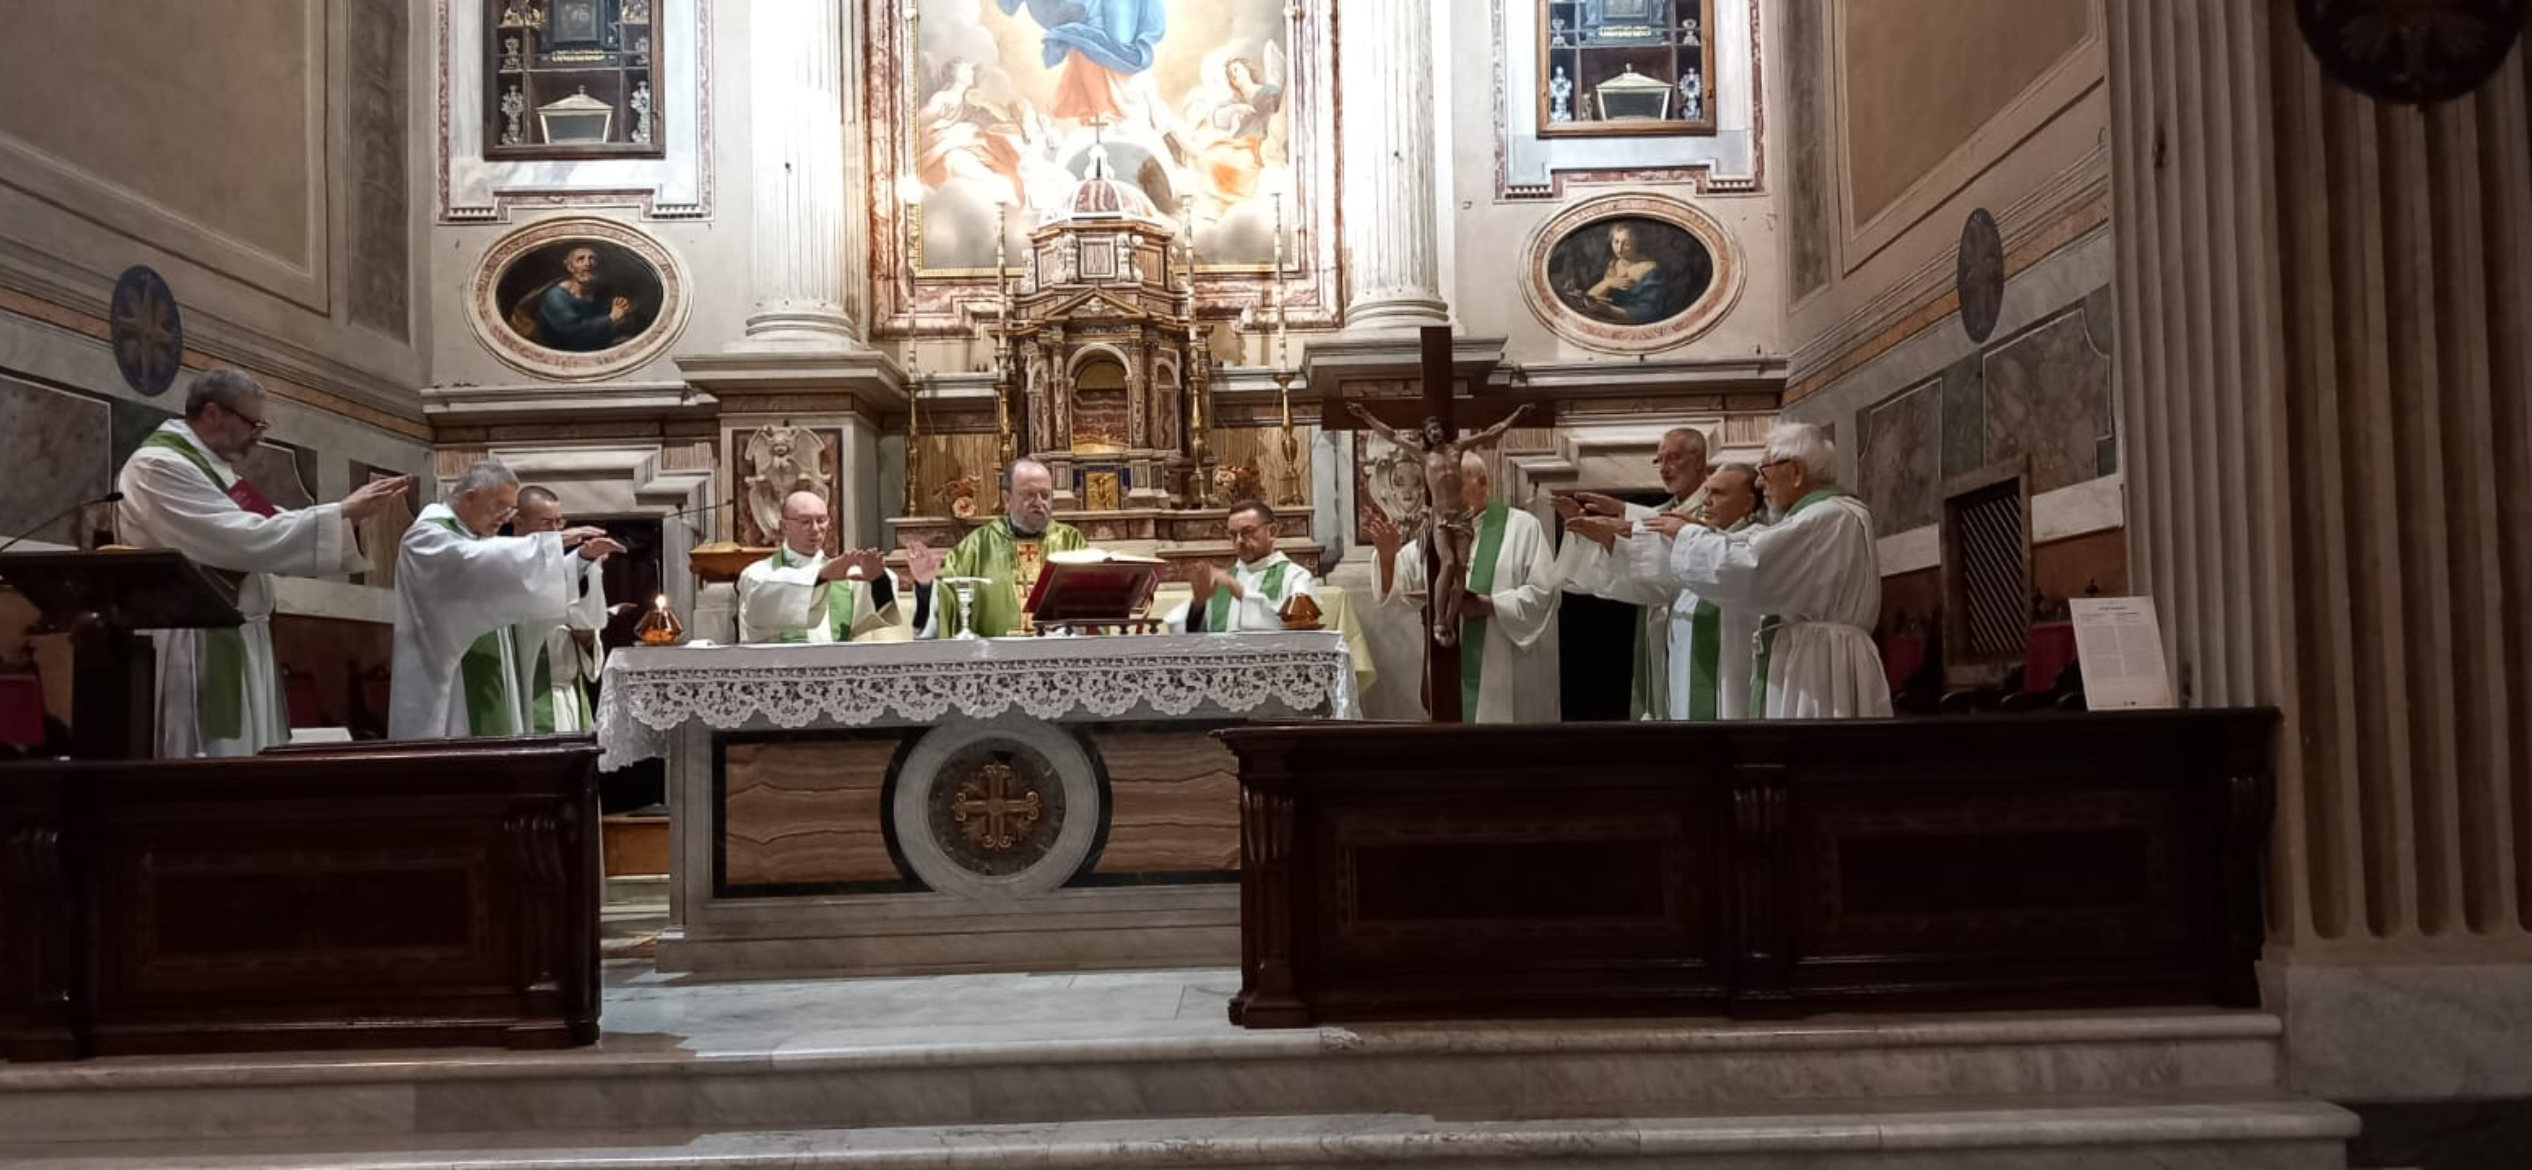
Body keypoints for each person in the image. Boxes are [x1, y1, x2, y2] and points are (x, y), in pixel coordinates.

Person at [113, 369, 413, 757]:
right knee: (208, 758)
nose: (260, 435)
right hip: (195, 642)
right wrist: (340, 512)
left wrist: (345, 517)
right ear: (213, 413)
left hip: (236, 631)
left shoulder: (212, 469)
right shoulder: (158, 466)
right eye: (252, 423)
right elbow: (243, 537)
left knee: (246, 757)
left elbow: (266, 523)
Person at [1665, 423, 1891, 719]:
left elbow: (1751, 569)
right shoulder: (1834, 514)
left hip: (1817, 667)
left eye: (1765, 469)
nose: (1760, 482)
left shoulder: (1823, 517)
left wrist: (1687, 536)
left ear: (1796, 471)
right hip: (1823, 657)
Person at [390, 461, 623, 739]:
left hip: (492, 676)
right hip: (451, 684)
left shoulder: (473, 540)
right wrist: (555, 542)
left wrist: (581, 560)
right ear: (470, 497)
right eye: (500, 506)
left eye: (510, 508)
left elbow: (518, 585)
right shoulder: (427, 536)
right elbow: (472, 562)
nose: (506, 517)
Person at [1369, 452, 1561, 723]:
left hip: (1502, 668)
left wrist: (1490, 605)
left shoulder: (1522, 527)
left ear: (1482, 483)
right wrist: (1387, 558)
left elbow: (1545, 592)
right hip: (1447, 662)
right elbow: (1400, 587)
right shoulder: (1434, 532)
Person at [1573, 463, 1765, 720]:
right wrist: (1610, 537)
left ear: (1748, 503)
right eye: (1706, 492)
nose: (1706, 501)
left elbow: (1724, 555)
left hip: (1733, 688)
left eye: (1718, 493)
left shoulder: (1758, 542)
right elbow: (1650, 568)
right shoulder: (1693, 545)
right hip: (1683, 686)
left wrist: (1627, 524)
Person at [1554, 426, 1711, 720]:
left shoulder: (1714, 508)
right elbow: (1630, 558)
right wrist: (1589, 530)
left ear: (1699, 460)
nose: (1664, 468)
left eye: (1673, 458)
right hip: (1659, 623)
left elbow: (1689, 548)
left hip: (1701, 624)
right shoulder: (1661, 511)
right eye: (1659, 460)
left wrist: (1622, 515)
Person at [1347, 403, 1530, 648]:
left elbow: (1490, 433)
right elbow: (1390, 435)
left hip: (1462, 518)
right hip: (1441, 518)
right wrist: (1366, 415)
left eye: (1466, 476)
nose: (1434, 432)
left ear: (1483, 481)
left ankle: (1450, 620)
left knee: (1461, 568)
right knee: (1449, 563)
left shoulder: (1521, 527)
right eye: (1430, 429)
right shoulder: (1424, 456)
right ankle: (1440, 620)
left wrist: (1516, 415)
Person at [911, 457, 1085, 638]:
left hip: (1060, 653)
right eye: (1029, 495)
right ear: (1007, 499)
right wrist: (925, 586)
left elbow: (1092, 609)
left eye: (1045, 495)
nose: (1039, 502)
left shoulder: (1071, 543)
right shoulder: (978, 546)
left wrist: (1068, 632)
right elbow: (948, 597)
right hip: (994, 655)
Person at [737, 490, 918, 643]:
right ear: (784, 527)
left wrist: (878, 580)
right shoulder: (757, 574)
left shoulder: (846, 576)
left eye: (821, 520)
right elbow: (764, 600)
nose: (816, 529)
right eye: (805, 521)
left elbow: (879, 614)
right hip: (780, 669)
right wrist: (822, 576)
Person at [511, 486, 615, 732]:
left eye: (559, 522)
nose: (556, 530)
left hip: (569, 694)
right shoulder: (506, 565)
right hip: (532, 695)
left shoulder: (561, 562)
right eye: (547, 522)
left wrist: (587, 639)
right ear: (518, 521)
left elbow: (585, 623)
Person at [1164, 500, 1316, 633]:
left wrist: (1241, 592)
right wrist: (1198, 605)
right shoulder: (1222, 581)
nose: (1239, 541)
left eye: (1247, 532)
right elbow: (1181, 630)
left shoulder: (1296, 577)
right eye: (1233, 534)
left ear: (1272, 532)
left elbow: (1300, 629)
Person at [510, 245, 636, 352]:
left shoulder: (598, 294)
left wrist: (622, 308)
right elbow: (575, 332)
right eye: (580, 259)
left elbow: (610, 319)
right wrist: (612, 318)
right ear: (570, 268)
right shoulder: (555, 296)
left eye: (592, 259)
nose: (587, 264)